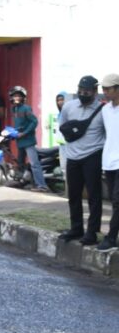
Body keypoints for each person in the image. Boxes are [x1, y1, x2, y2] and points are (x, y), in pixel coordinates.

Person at [57, 75, 106, 245]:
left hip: (93, 155)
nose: (84, 93)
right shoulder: (68, 107)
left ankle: (92, 232)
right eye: (81, 90)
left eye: (87, 91)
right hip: (73, 157)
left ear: (94, 92)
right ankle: (76, 228)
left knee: (94, 196)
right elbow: (62, 125)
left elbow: (108, 134)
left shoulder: (102, 110)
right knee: (74, 195)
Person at [8, 86, 48, 192]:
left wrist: (24, 133)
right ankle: (21, 181)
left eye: (19, 96)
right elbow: (19, 123)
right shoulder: (14, 109)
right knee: (20, 162)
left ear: (23, 97)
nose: (16, 97)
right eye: (14, 96)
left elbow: (34, 122)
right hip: (19, 140)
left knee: (34, 163)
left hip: (28, 140)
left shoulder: (26, 108)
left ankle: (42, 185)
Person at [99, 74, 119, 251]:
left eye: (108, 89)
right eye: (103, 89)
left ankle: (111, 237)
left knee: (117, 200)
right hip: (109, 161)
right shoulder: (105, 110)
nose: (104, 92)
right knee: (114, 201)